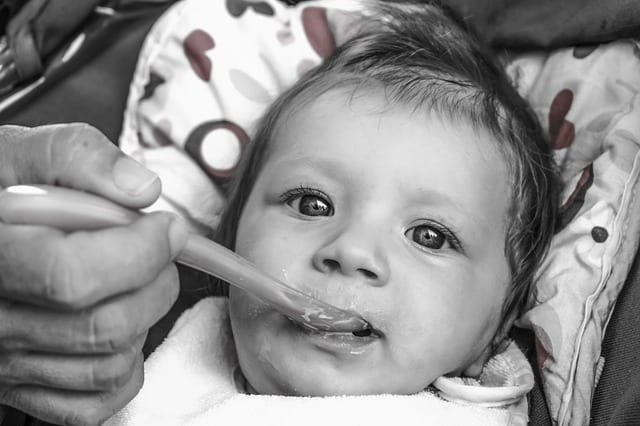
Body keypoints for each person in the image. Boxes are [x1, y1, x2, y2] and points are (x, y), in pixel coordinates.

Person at [106, 1, 558, 423]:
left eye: (429, 236)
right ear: (233, 238)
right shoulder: (138, 348)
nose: (352, 251)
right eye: (312, 204)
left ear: (497, 325)